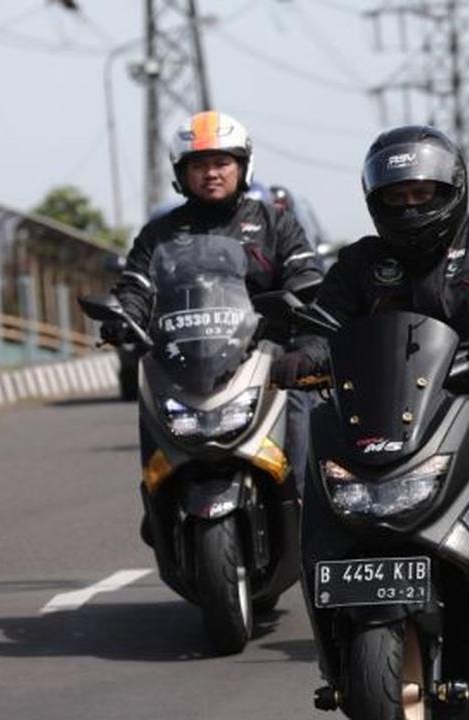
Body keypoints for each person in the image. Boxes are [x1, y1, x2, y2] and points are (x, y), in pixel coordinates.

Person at [311, 125, 469, 655]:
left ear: (450, 191)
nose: (409, 208)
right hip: (390, 411)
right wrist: (302, 353)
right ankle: (332, 604)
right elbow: (324, 325)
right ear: (375, 201)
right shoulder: (361, 262)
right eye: (397, 198)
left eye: (421, 194)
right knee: (321, 468)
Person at [106, 110, 322, 506]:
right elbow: (136, 284)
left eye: (222, 162)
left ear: (242, 166)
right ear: (181, 173)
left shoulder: (276, 224)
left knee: (300, 405)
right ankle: (157, 499)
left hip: (264, 356)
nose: (212, 173)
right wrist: (123, 315)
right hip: (185, 361)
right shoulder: (160, 233)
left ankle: (308, 511)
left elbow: (304, 272)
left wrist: (297, 301)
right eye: (199, 165)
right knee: (148, 388)